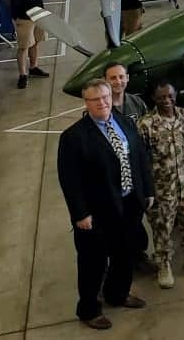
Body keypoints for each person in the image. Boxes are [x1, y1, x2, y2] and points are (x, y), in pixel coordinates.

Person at [58, 79, 154, 330]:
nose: (102, 103)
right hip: (96, 213)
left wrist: (148, 190)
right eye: (95, 99)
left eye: (105, 97)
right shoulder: (73, 137)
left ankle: (117, 294)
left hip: (129, 204)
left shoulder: (126, 123)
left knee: (124, 255)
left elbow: (140, 157)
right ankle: (89, 309)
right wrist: (80, 214)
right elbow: (70, 180)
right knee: (93, 262)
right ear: (86, 102)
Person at [136, 81, 184, 289]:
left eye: (170, 96)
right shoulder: (145, 124)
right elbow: (141, 160)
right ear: (153, 99)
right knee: (162, 228)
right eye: (161, 98)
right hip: (161, 187)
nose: (167, 101)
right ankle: (164, 265)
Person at [102, 62, 152, 271]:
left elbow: (147, 133)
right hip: (113, 176)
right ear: (106, 81)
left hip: (135, 172)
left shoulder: (137, 104)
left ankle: (138, 255)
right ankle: (118, 263)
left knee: (135, 216)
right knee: (115, 222)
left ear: (128, 79)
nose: (118, 81)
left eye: (121, 77)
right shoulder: (101, 107)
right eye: (113, 78)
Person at [0, 0, 49, 89]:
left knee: (36, 42)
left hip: (39, 13)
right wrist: (15, 12)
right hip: (23, 16)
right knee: (23, 46)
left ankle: (33, 67)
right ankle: (22, 75)